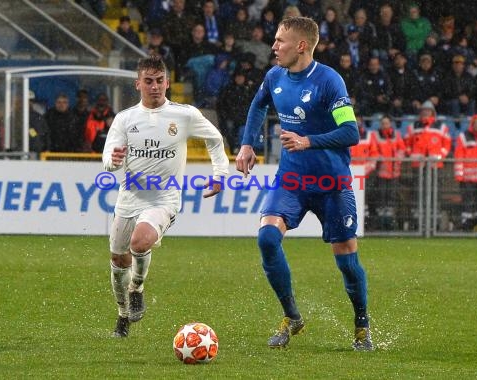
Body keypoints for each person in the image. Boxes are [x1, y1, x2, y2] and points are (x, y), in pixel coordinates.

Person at [235, 16, 373, 351]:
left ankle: (362, 325)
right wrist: (247, 143)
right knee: (268, 238)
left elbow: (350, 133)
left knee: (347, 262)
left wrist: (308, 141)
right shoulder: (274, 76)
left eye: (280, 40)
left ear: (301, 46)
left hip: (331, 183)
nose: (274, 46)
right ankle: (292, 316)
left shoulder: (329, 81)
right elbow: (257, 106)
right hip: (292, 179)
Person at [102, 56, 229, 338]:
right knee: (117, 260)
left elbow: (215, 138)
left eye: (160, 81)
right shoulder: (125, 119)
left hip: (164, 198)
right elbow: (108, 158)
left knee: (140, 240)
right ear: (138, 84)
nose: (155, 86)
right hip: (130, 197)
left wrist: (220, 174)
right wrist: (113, 160)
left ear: (168, 83)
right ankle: (122, 316)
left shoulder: (184, 115)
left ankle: (137, 288)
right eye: (149, 81)